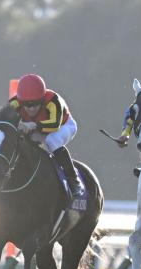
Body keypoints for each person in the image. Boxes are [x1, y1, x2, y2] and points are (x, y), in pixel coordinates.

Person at [9, 74, 86, 210]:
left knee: (52, 140)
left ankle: (74, 180)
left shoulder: (53, 100)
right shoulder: (14, 103)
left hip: (64, 125)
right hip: (39, 127)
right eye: (27, 104)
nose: (31, 108)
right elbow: (4, 117)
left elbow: (54, 125)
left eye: (36, 104)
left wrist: (32, 126)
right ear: (20, 101)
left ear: (42, 98)